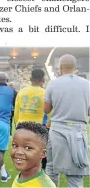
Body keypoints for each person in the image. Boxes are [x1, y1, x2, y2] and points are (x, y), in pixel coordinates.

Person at [44, 54, 89, 188]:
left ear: (60, 67)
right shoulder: (87, 84)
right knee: (75, 174)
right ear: (75, 67)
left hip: (57, 129)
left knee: (52, 169)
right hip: (79, 131)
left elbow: (46, 109)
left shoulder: (53, 83)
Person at [11, 122, 56, 188]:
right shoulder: (22, 175)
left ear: (43, 154)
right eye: (15, 145)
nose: (19, 152)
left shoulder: (45, 186)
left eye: (28, 148)